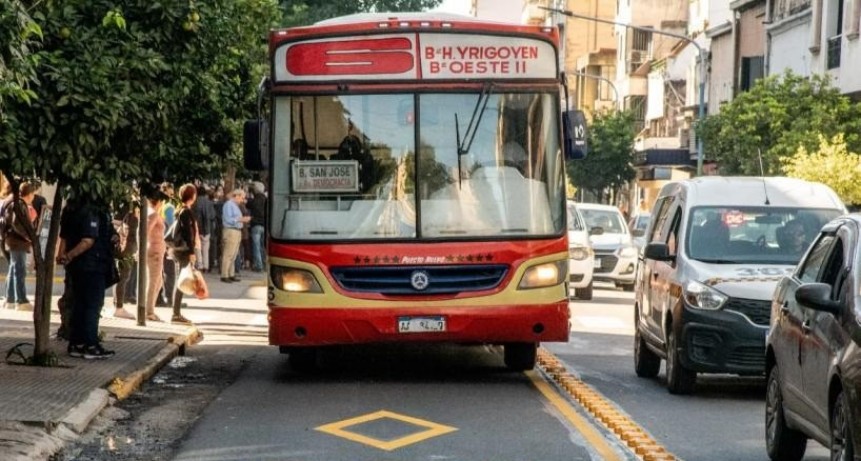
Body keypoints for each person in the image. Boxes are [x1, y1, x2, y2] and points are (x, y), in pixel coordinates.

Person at [57, 197, 117, 359]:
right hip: (92, 264)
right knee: (93, 305)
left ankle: (77, 343)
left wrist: (62, 255)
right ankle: (91, 345)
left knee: (80, 304)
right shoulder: (92, 210)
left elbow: (64, 236)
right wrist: (69, 255)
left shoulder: (69, 208)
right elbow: (87, 241)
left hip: (78, 266)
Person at [4, 181, 38, 311]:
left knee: (14, 269)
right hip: (18, 241)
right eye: (33, 194)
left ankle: (10, 299)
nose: (34, 197)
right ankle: (21, 300)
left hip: (11, 240)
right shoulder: (19, 204)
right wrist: (29, 235)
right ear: (29, 194)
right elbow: (17, 223)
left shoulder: (12, 200)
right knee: (19, 270)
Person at [169, 184, 199, 324]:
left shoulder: (180, 209)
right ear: (192, 196)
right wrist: (192, 252)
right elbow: (188, 233)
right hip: (183, 251)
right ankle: (175, 314)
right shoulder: (185, 212)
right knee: (181, 282)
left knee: (180, 280)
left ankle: (176, 313)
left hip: (178, 250)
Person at [112, 201, 139, 320]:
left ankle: (117, 304)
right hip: (127, 250)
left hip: (125, 249)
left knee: (122, 277)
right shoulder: (132, 217)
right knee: (123, 277)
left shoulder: (128, 215)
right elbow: (132, 236)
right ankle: (119, 307)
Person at [144, 191, 169, 322]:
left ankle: (150, 309)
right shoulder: (152, 214)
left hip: (156, 250)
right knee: (154, 282)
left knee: (158, 281)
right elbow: (145, 231)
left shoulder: (151, 212)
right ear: (158, 201)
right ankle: (149, 311)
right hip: (154, 251)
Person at [221, 189, 250, 283]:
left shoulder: (235, 206)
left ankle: (231, 274)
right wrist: (241, 219)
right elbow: (228, 219)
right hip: (231, 230)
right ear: (236, 196)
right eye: (242, 197)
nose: (242, 200)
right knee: (228, 253)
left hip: (236, 231)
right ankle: (224, 275)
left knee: (233, 254)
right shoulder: (229, 205)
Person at [193, 184, 216, 273]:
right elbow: (212, 216)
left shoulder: (195, 203)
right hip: (208, 228)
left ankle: (200, 265)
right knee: (205, 248)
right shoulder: (209, 203)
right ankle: (206, 266)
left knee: (198, 248)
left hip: (198, 228)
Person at [247, 182, 267, 272]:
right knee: (262, 246)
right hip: (264, 225)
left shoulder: (254, 201)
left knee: (256, 246)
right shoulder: (266, 200)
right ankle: (264, 263)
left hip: (255, 224)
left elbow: (248, 205)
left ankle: (258, 265)